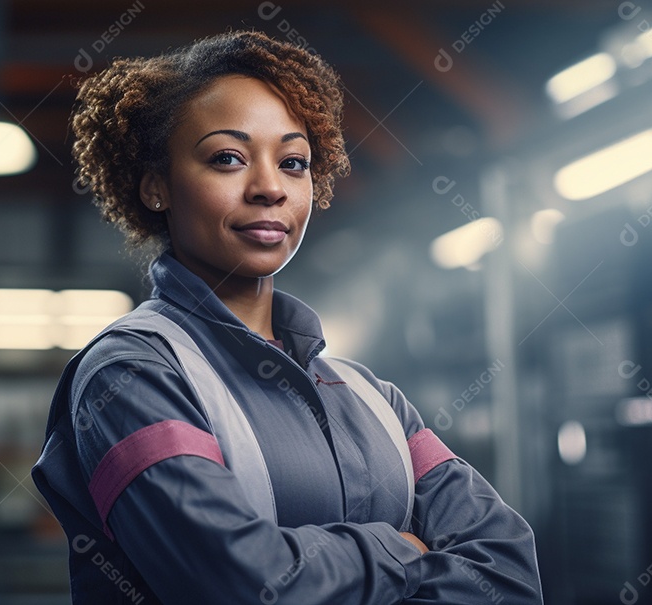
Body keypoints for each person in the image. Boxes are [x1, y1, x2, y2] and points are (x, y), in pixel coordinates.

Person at [33, 30, 542, 604]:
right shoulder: (129, 375)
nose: (270, 187)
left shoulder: (374, 399)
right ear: (155, 187)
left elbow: (507, 572)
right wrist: (405, 551)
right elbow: (242, 584)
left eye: (293, 162)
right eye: (227, 158)